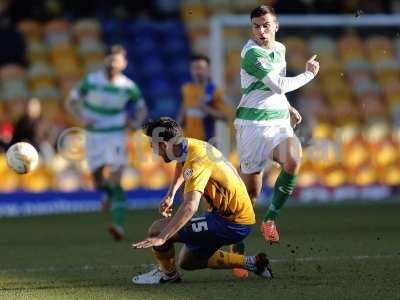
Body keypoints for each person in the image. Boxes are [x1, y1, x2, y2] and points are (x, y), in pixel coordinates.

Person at [131, 117, 273, 284]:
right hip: (233, 217)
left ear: (163, 145)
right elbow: (180, 163)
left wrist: (163, 237)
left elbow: (190, 206)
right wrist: (171, 193)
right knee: (188, 261)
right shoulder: (186, 145)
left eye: (153, 146)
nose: (154, 150)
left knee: (157, 229)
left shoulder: (196, 160)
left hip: (230, 223)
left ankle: (168, 275)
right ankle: (255, 263)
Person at [235, 5, 319, 243]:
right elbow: (278, 85)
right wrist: (309, 75)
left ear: (276, 26)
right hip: (251, 126)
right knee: (250, 194)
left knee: (294, 157)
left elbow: (276, 90)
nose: (261, 31)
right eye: (256, 27)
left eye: (265, 26)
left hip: (278, 122)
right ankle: (236, 245)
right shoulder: (251, 54)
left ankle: (270, 218)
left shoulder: (280, 49)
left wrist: (288, 106)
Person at [66, 45, 147, 241]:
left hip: (117, 134)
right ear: (105, 61)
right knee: (97, 180)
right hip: (94, 134)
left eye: (116, 60)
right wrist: (80, 118)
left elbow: (142, 108)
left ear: (124, 64)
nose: (112, 64)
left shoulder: (128, 86)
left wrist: (136, 122)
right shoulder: (91, 81)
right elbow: (70, 102)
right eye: (110, 60)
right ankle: (106, 193)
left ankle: (118, 225)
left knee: (116, 177)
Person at [178, 54, 229, 142]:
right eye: (194, 68)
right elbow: (184, 109)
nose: (197, 72)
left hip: (206, 141)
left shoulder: (214, 91)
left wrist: (206, 109)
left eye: (200, 68)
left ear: (208, 70)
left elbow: (225, 116)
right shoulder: (187, 89)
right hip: (189, 140)